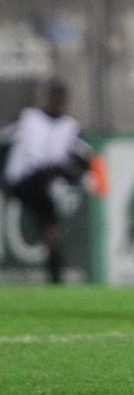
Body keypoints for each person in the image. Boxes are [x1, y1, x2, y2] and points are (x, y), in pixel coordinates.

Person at [0, 79, 105, 284]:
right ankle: (54, 269)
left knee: (51, 226)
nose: (57, 101)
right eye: (54, 96)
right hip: (19, 181)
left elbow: (87, 155)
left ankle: (55, 275)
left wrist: (94, 178)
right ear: (47, 97)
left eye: (61, 97)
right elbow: (4, 139)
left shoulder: (69, 127)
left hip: (45, 187)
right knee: (53, 174)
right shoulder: (28, 118)